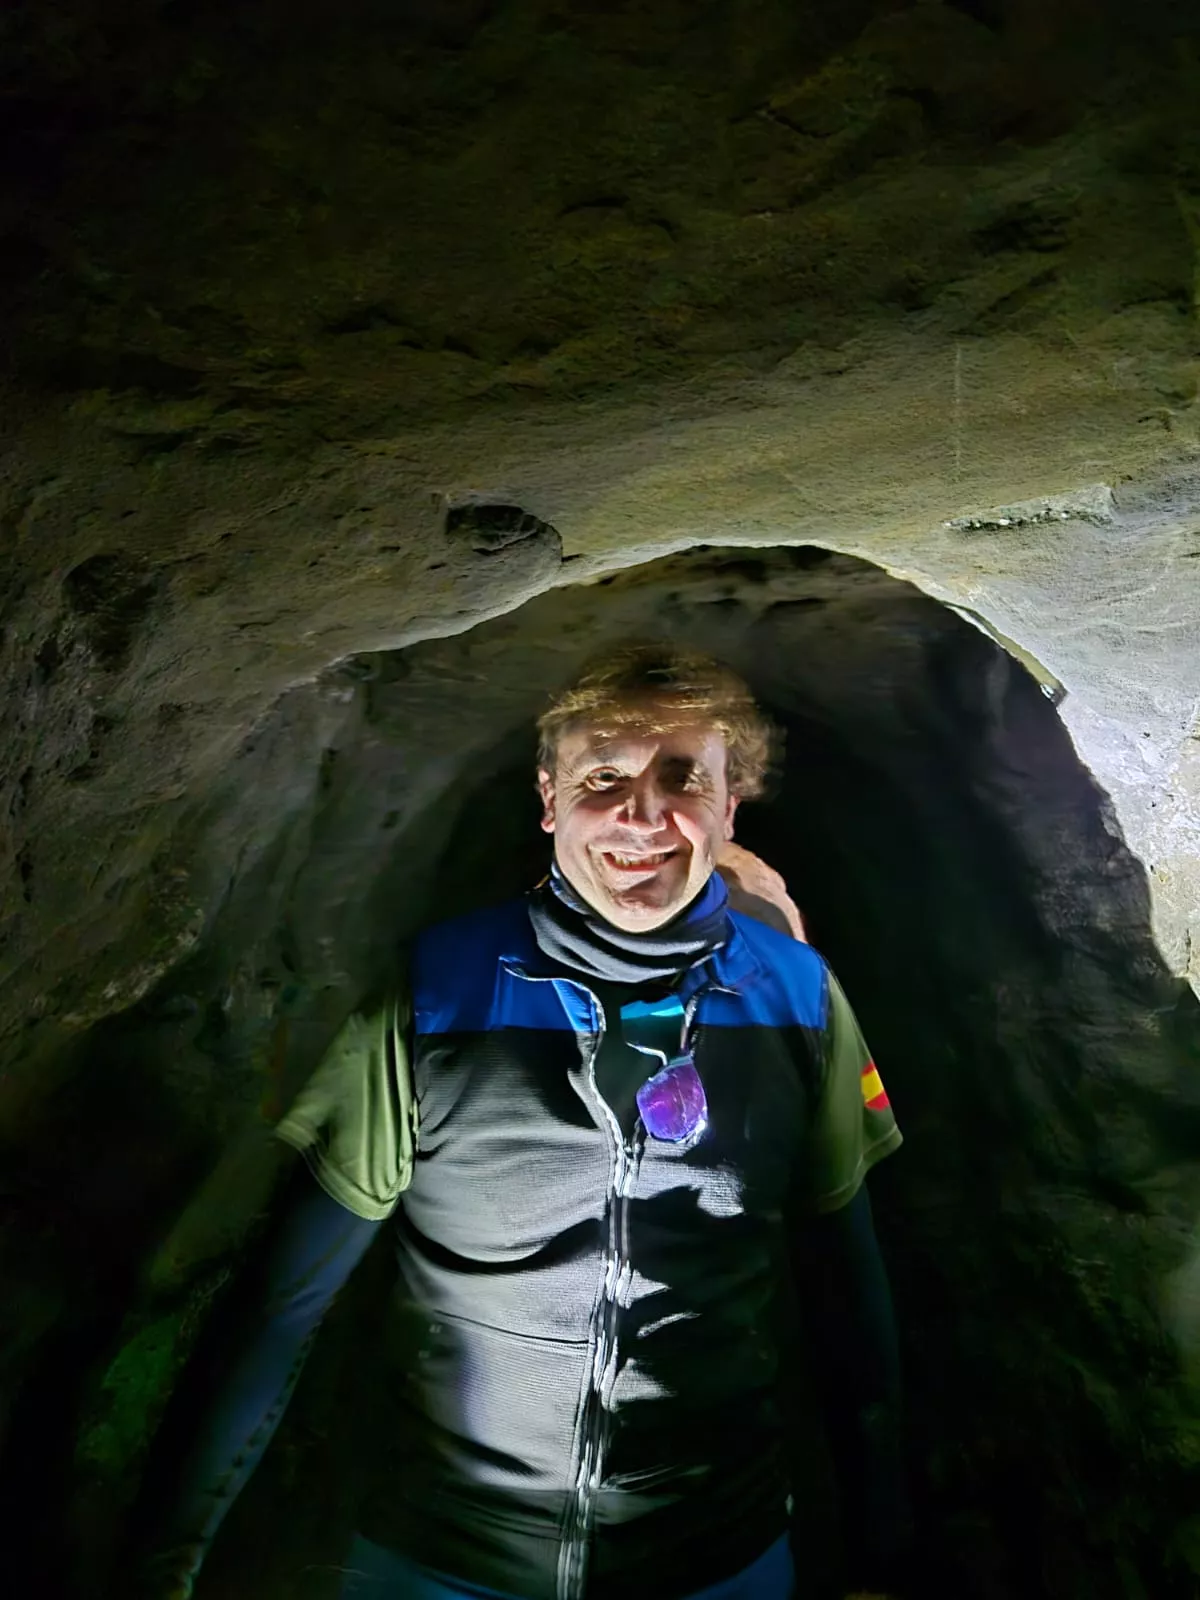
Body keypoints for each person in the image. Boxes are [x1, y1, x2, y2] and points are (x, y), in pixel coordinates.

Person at [129, 645, 909, 1600]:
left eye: (682, 779)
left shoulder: (799, 1000)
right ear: (549, 800)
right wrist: (167, 1559)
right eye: (604, 777)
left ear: (728, 806)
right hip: (439, 1561)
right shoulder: (434, 996)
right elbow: (282, 1307)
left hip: (714, 1559)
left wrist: (877, 1563)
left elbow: (850, 1301)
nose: (643, 814)